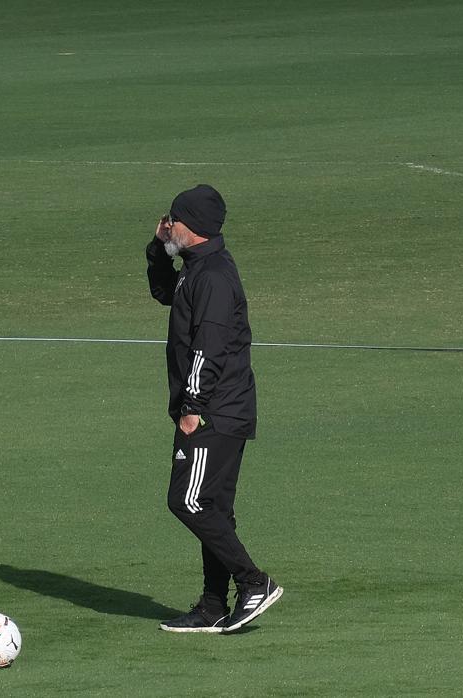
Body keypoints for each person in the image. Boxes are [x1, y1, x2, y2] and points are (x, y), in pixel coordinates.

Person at [145, 184, 282, 633]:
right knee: (215, 509)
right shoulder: (195, 267)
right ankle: (211, 605)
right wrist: (158, 248)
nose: (168, 224)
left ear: (195, 227)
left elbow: (210, 347)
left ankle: (254, 582)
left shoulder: (214, 278)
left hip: (214, 412)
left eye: (173, 219)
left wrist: (192, 407)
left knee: (187, 501)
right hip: (218, 409)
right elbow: (164, 293)